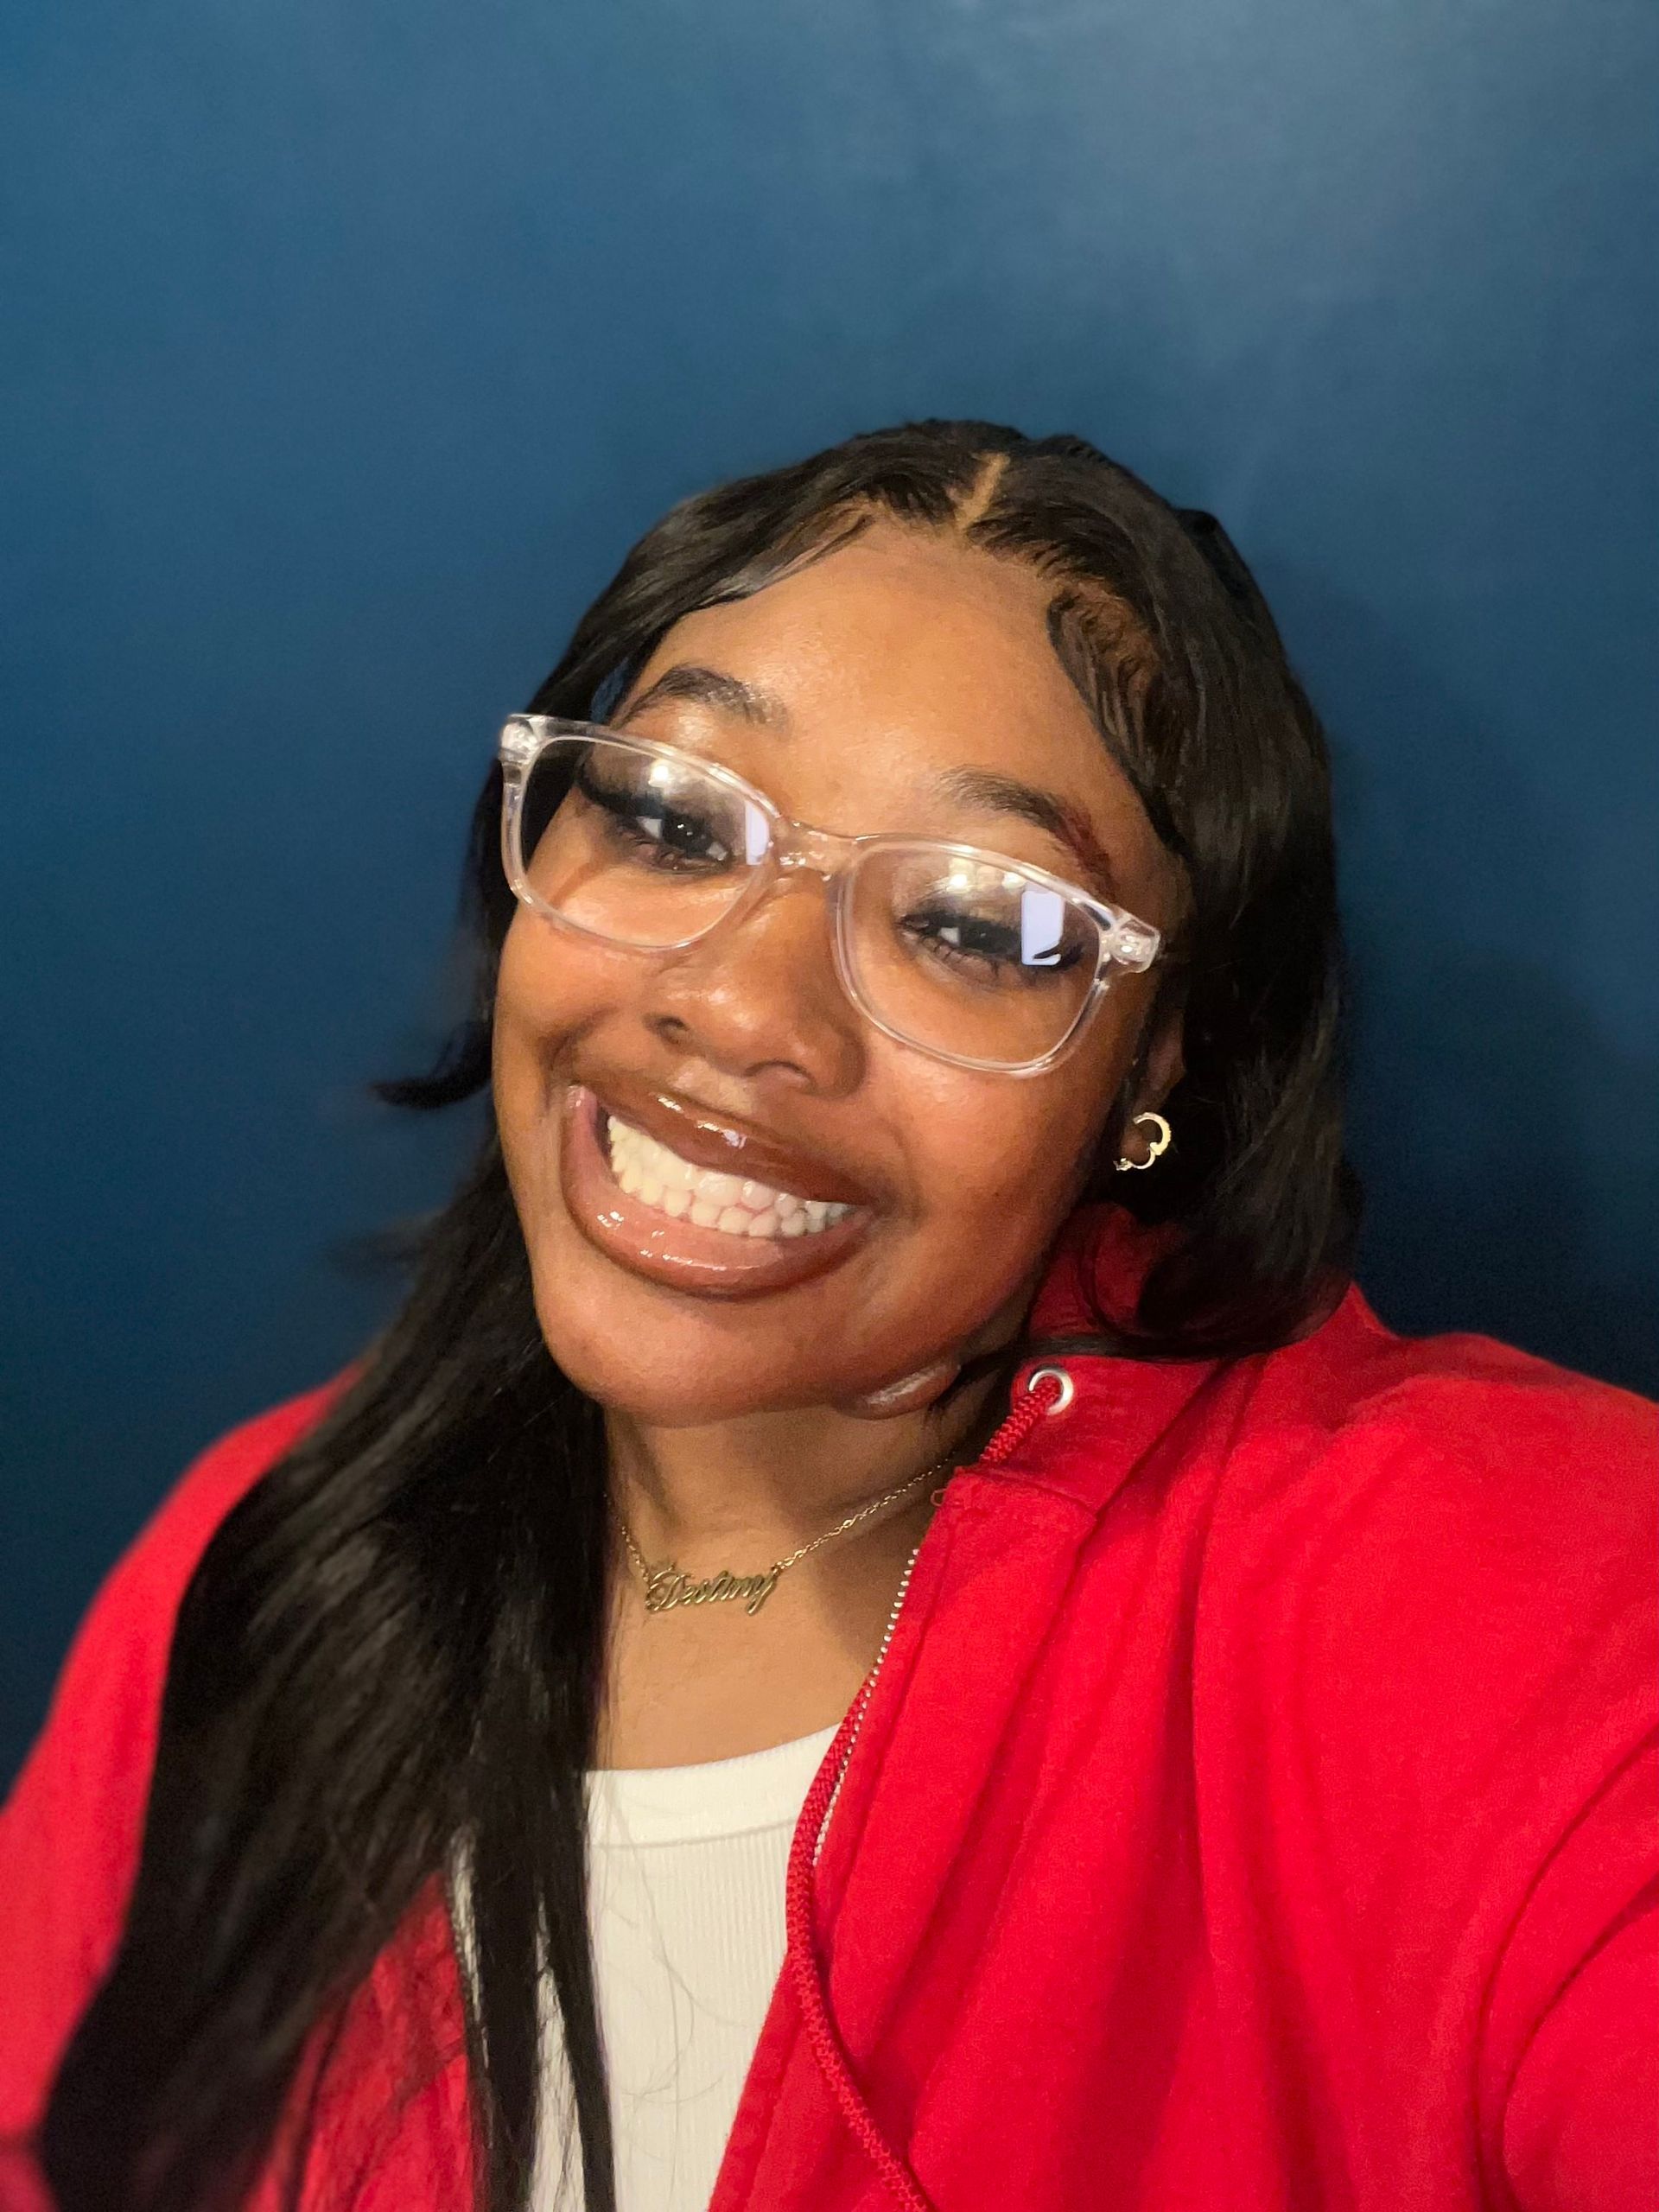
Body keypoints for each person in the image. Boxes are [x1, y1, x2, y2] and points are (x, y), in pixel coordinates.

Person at [2, 419, 1653, 2212]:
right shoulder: (257, 1559)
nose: (741, 1002)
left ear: (1153, 1070)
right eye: (669, 814)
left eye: (974, 922)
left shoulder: (1501, 1598)